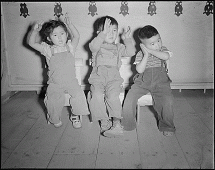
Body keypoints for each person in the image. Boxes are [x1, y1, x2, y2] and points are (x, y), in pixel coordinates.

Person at [28, 13, 90, 128]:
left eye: (62, 33)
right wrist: (35, 31)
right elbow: (31, 43)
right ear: (49, 38)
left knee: (79, 95)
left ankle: (75, 115)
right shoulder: (47, 49)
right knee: (52, 100)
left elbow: (76, 36)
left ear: (66, 34)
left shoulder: (70, 47)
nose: (60, 37)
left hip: (71, 81)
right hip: (55, 83)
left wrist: (70, 25)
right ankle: (54, 118)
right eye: (55, 35)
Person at [121, 25, 176, 136]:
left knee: (167, 101)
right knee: (129, 98)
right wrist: (146, 54)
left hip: (161, 82)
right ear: (143, 45)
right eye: (152, 43)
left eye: (159, 40)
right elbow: (140, 70)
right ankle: (127, 123)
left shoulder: (162, 49)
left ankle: (167, 126)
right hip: (143, 82)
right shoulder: (141, 54)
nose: (158, 44)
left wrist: (151, 50)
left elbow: (165, 57)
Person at [87, 15, 135, 137]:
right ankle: (104, 121)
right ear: (99, 33)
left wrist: (127, 39)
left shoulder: (118, 47)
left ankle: (117, 123)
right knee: (96, 96)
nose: (111, 33)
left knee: (112, 96)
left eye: (114, 30)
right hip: (97, 78)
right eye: (107, 30)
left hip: (113, 79)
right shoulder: (96, 46)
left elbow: (130, 52)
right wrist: (102, 35)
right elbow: (93, 46)